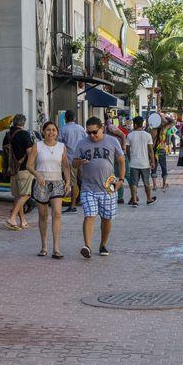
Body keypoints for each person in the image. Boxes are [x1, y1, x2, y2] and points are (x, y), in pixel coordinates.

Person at [73, 117, 125, 258]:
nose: (91, 135)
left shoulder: (113, 141)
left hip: (108, 187)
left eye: (94, 132)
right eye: (88, 133)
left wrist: (121, 180)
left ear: (101, 128)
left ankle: (103, 244)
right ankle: (87, 246)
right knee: (89, 215)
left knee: (106, 218)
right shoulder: (82, 143)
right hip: (88, 187)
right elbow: (74, 163)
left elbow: (121, 160)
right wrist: (79, 162)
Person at [27, 121, 72, 259]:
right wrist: (37, 174)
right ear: (43, 131)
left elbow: (65, 166)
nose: (51, 132)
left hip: (57, 182)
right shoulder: (37, 146)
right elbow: (29, 165)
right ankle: (44, 246)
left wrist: (68, 181)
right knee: (43, 215)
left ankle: (56, 248)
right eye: (48, 130)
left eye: (53, 130)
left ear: (57, 132)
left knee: (57, 214)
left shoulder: (61, 147)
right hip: (42, 183)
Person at [4, 114, 35, 230]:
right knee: (26, 194)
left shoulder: (7, 135)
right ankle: (12, 218)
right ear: (23, 123)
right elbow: (30, 153)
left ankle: (22, 221)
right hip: (24, 170)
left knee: (18, 197)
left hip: (12, 170)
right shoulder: (24, 134)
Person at [58, 110, 87, 214]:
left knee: (73, 183)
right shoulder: (80, 128)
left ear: (65, 119)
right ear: (74, 118)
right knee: (82, 180)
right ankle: (85, 201)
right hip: (82, 159)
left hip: (70, 159)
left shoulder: (63, 129)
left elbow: (60, 143)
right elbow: (86, 141)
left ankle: (73, 205)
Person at [125, 116, 155, 207]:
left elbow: (127, 150)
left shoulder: (130, 135)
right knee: (146, 182)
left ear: (135, 124)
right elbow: (150, 150)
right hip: (145, 163)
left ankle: (134, 201)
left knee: (134, 183)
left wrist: (130, 159)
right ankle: (149, 199)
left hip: (134, 163)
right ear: (142, 124)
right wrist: (152, 161)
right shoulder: (147, 135)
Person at [105, 118, 127, 203]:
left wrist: (123, 147)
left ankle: (118, 196)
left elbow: (123, 135)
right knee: (115, 176)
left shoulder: (110, 127)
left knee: (115, 176)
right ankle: (116, 195)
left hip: (116, 154)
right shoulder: (108, 129)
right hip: (115, 153)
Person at [152, 118, 172, 191]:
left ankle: (154, 185)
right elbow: (172, 122)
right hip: (162, 149)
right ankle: (164, 185)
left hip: (154, 150)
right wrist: (164, 117)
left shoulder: (152, 130)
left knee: (154, 167)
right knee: (164, 167)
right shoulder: (164, 129)